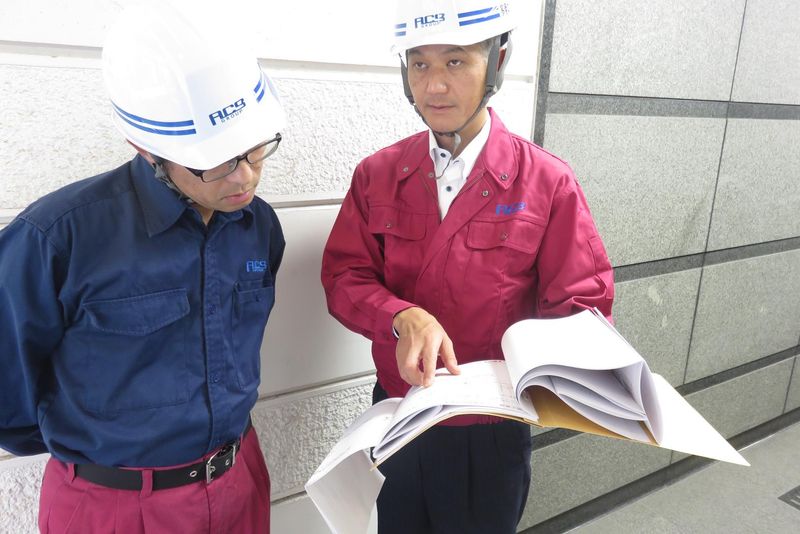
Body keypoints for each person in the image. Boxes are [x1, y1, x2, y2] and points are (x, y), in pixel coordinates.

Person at [321, 0, 614, 532]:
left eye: (455, 61)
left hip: (490, 434)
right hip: (399, 417)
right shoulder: (377, 175)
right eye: (419, 64)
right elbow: (345, 278)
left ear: (496, 61)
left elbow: (582, 306)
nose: (434, 85)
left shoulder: (545, 182)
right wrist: (400, 316)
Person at [0, 3, 286, 533]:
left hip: (239, 483)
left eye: (254, 149)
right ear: (148, 148)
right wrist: (104, 454)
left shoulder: (258, 225)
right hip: (113, 505)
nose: (245, 176)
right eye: (219, 160)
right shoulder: (57, 238)